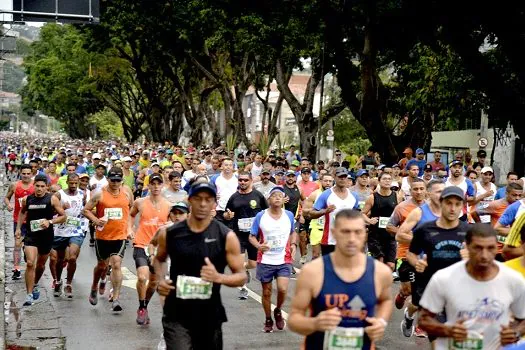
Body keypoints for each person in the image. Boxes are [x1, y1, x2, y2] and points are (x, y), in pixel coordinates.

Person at [153, 182, 247, 350]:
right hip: (176, 313)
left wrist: (218, 277)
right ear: (190, 200)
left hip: (209, 315)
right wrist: (160, 280)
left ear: (214, 204)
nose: (203, 204)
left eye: (208, 199)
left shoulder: (226, 236)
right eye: (198, 198)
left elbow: (241, 277)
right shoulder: (171, 233)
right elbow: (159, 259)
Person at [288, 209, 393, 349]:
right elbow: (294, 319)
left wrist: (381, 321)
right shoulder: (313, 272)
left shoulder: (380, 272)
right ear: (334, 232)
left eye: (357, 232)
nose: (351, 239)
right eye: (345, 232)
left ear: (365, 234)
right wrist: (315, 324)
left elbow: (385, 300)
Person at [418, 223, 525, 349]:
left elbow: (523, 319)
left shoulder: (514, 280)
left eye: (490, 248)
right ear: (466, 246)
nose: (484, 255)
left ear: (497, 248)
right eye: (478, 248)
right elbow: (423, 319)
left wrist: (515, 333)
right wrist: (447, 330)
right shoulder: (444, 277)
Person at [407, 186, 470, 341]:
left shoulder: (468, 230)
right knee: (436, 336)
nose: (453, 208)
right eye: (449, 203)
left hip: (458, 288)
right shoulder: (425, 229)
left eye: (457, 204)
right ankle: (410, 318)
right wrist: (417, 263)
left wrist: (470, 257)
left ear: (462, 206)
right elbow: (411, 253)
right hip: (430, 286)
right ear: (441, 203)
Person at [83, 167, 134, 311]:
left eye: (118, 180)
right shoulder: (99, 194)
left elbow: (130, 211)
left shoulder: (126, 193)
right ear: (108, 179)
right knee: (102, 266)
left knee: (116, 264)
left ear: (122, 181)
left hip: (120, 235)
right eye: (113, 180)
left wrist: (129, 229)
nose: (116, 183)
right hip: (103, 236)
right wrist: (95, 220)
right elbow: (86, 210)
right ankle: (94, 286)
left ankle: (116, 298)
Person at [249, 187, 297, 332]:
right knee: (267, 292)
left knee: (282, 289)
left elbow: (293, 232)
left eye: (280, 196)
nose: (277, 198)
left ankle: (278, 310)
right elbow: (251, 236)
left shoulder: (288, 215)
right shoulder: (261, 216)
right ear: (268, 199)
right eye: (274, 196)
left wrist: (293, 244)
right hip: (265, 260)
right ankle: (268, 319)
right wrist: (259, 246)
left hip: (283, 259)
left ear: (284, 200)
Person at [16, 174, 66, 306]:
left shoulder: (52, 199)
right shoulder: (27, 199)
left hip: (46, 236)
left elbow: (63, 216)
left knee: (40, 265)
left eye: (42, 186)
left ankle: (36, 283)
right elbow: (22, 213)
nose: (39, 189)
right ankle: (29, 294)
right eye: (37, 186)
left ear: (47, 187)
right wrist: (18, 229)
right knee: (30, 263)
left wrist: (50, 221)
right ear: (34, 186)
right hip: (31, 235)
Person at [129, 173, 171, 325]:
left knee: (153, 283)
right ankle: (141, 307)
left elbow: (174, 224)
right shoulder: (140, 202)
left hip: (158, 249)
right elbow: (131, 215)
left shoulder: (168, 205)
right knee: (142, 277)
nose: (155, 187)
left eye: (158, 184)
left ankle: (145, 305)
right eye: (152, 184)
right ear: (148, 185)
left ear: (163, 185)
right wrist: (130, 228)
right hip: (141, 244)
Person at [224, 171, 268, 299]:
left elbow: (266, 212)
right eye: (240, 180)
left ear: (251, 181)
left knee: (253, 264)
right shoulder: (234, 197)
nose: (243, 182)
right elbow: (226, 214)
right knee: (239, 261)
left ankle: (244, 269)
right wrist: (228, 216)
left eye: (245, 180)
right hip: (239, 235)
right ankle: (244, 288)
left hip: (254, 236)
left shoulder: (258, 196)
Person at [50, 173, 87, 298]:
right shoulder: (59, 194)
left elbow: (86, 209)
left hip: (76, 228)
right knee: (60, 260)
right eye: (71, 183)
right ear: (67, 182)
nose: (74, 185)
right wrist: (60, 208)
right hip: (61, 230)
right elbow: (50, 211)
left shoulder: (83, 194)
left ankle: (69, 284)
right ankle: (59, 281)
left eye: (76, 183)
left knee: (72, 258)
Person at [310, 168, 359, 255]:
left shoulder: (354, 196)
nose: (342, 179)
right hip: (329, 240)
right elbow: (312, 214)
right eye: (340, 177)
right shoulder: (326, 194)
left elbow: (357, 215)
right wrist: (325, 211)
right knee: (329, 268)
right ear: (334, 177)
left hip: (348, 241)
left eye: (344, 177)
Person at [362, 172, 399, 270]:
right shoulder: (372, 197)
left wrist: (399, 225)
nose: (387, 181)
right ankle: (377, 283)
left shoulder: (396, 196)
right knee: (380, 261)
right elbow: (362, 213)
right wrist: (369, 221)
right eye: (384, 179)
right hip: (375, 234)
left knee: (391, 265)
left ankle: (385, 283)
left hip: (390, 234)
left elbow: (400, 213)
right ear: (379, 181)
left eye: (389, 179)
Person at [4, 164, 34, 280]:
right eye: (24, 173)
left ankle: (29, 261)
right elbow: (7, 197)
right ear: (20, 173)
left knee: (28, 247)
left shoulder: (35, 186)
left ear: (31, 173)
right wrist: (8, 205)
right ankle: (16, 269)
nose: (26, 176)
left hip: (33, 221)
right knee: (17, 244)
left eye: (28, 173)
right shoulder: (15, 185)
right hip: (19, 220)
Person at [302, 173, 335, 260]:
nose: (328, 183)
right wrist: (317, 210)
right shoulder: (315, 194)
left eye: (330, 181)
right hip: (317, 227)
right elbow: (304, 210)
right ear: (320, 181)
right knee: (316, 255)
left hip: (331, 229)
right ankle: (315, 272)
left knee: (330, 256)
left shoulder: (336, 195)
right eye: (325, 181)